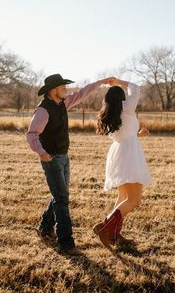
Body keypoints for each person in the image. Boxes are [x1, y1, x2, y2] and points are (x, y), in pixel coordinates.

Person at [26, 73, 113, 256]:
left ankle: (44, 228)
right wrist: (42, 154)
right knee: (62, 199)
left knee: (60, 195)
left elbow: (83, 93)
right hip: (51, 159)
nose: (66, 90)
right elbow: (31, 134)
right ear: (54, 90)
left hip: (64, 156)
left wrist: (102, 82)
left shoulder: (63, 103)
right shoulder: (43, 111)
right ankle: (65, 243)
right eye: (63, 87)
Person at [93, 77, 153, 248]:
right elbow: (135, 87)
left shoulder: (109, 112)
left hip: (118, 153)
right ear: (122, 98)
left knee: (123, 197)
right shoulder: (126, 108)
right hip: (129, 155)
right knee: (133, 200)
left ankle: (111, 232)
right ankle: (106, 228)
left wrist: (138, 134)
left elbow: (124, 133)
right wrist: (119, 82)